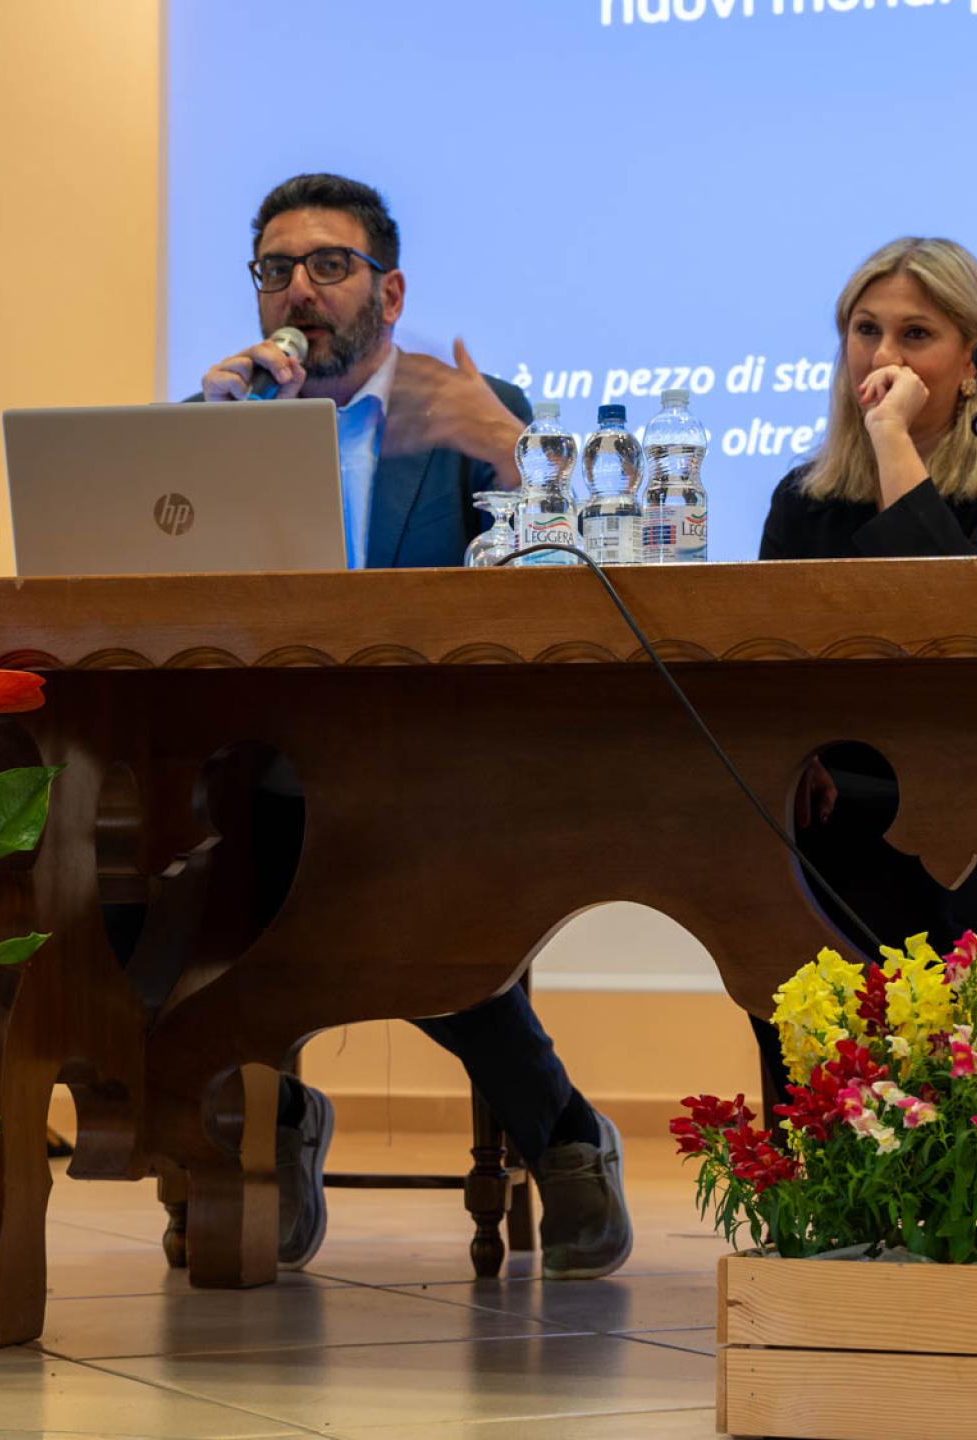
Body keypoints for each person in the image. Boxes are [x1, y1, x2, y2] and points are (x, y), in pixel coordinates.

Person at [172, 173, 632, 1280]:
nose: (300, 289)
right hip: (252, 775)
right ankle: (279, 1124)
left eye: (330, 265)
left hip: (433, 778)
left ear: (390, 292)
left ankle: (556, 1128)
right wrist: (197, 447)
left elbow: (591, 579)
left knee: (393, 888)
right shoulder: (216, 424)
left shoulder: (471, 411)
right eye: (276, 269)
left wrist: (509, 447)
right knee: (172, 874)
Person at [753, 236, 977, 1099]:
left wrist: (890, 440)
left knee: (962, 883)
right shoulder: (803, 499)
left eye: (915, 335)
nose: (883, 356)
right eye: (865, 330)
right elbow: (769, 663)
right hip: (862, 783)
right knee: (769, 873)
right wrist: (792, 754)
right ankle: (823, 1150)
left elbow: (958, 628)